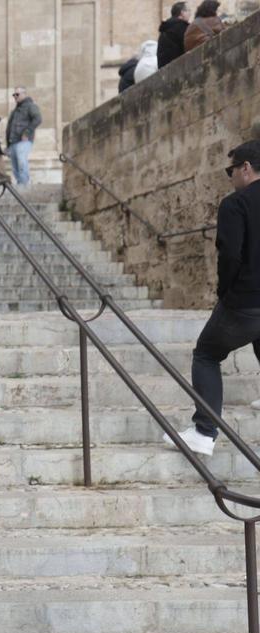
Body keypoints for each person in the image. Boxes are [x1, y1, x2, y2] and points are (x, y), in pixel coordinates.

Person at [164, 141, 260, 457]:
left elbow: (231, 254)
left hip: (246, 298)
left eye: (230, 170)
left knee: (206, 354)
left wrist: (225, 293)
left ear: (246, 168)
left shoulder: (236, 204)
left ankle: (204, 432)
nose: (230, 177)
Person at [6, 87, 42, 186]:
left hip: (24, 140)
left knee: (21, 161)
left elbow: (38, 119)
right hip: (13, 142)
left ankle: (24, 184)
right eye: (14, 95)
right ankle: (20, 184)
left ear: (24, 94)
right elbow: (9, 128)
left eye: (17, 94)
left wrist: (27, 132)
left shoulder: (31, 106)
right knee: (15, 166)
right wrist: (8, 145)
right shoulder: (15, 110)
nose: (15, 97)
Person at [157, 2, 191, 68]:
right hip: (178, 67)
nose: (190, 14)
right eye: (189, 10)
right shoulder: (182, 27)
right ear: (182, 13)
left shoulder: (166, 27)